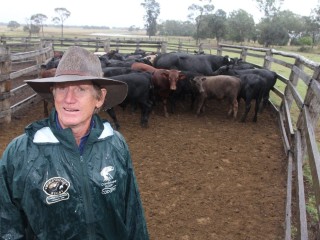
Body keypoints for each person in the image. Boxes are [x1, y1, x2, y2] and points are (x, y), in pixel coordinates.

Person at [0, 46, 149, 239]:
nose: (69, 99)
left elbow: (132, 213)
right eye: (62, 88)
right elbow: (6, 224)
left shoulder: (115, 144)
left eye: (81, 89)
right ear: (53, 94)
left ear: (99, 98)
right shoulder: (21, 151)